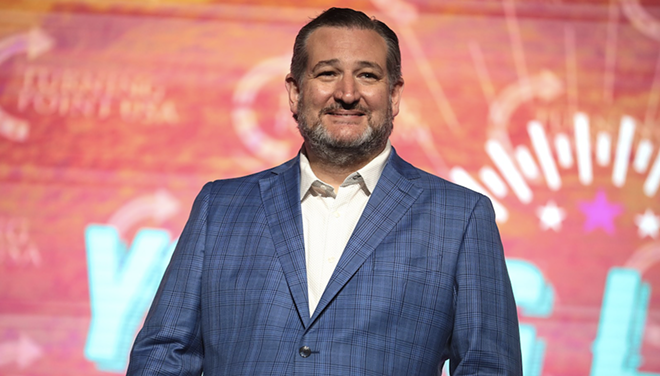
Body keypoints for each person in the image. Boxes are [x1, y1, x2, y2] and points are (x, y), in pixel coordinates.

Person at [126, 7, 522, 376]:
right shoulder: (221, 207)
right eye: (327, 74)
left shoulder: (460, 217)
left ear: (395, 94)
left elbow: (489, 367)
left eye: (367, 75)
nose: (347, 93)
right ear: (295, 92)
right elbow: (164, 355)